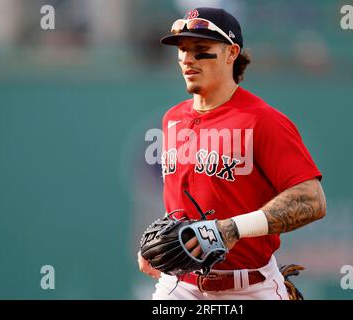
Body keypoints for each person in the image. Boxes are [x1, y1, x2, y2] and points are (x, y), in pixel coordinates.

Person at [138, 7, 326, 300]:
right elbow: (183, 201)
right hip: (179, 286)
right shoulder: (172, 119)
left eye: (201, 50)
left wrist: (231, 229)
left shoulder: (262, 119)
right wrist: (160, 244)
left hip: (249, 287)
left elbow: (312, 200)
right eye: (183, 50)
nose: (188, 59)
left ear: (231, 53)